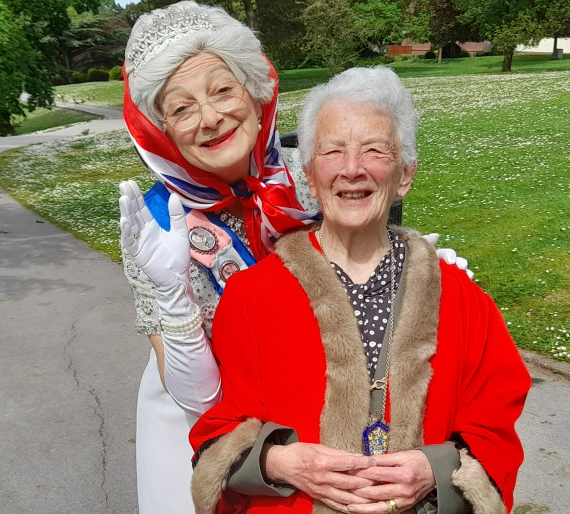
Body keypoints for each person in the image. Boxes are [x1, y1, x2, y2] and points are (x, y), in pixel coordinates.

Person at [188, 66, 530, 514]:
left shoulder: (464, 300)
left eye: (374, 150)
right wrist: (281, 461)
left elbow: (495, 426)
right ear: (310, 176)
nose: (352, 169)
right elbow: (222, 425)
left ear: (404, 174)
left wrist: (437, 468)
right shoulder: (251, 296)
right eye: (332, 151)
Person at [118, 1, 322, 514]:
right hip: (203, 422)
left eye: (221, 90)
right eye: (181, 108)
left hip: (321, 401)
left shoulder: (320, 173)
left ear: (256, 93)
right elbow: (199, 402)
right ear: (160, 130)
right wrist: (173, 299)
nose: (209, 118)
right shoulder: (154, 225)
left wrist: (414, 268)